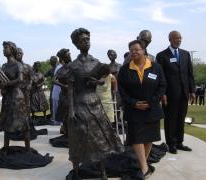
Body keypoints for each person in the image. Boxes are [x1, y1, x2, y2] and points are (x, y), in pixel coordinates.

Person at [67, 28, 124, 179]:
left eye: (87, 39)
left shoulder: (96, 63)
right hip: (79, 103)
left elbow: (101, 81)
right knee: (79, 137)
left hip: (95, 103)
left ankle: (103, 172)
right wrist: (71, 110)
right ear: (76, 44)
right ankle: (76, 171)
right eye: (82, 40)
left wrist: (97, 81)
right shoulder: (73, 66)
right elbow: (70, 89)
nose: (86, 41)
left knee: (100, 138)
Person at [118, 40, 166, 177]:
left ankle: (142, 163)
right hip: (133, 110)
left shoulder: (156, 67)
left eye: (136, 50)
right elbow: (122, 90)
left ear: (144, 50)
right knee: (137, 138)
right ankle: (144, 168)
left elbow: (162, 85)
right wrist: (133, 103)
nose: (134, 52)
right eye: (131, 50)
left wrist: (151, 102)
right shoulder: (125, 69)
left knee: (149, 138)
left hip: (152, 109)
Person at [156, 31, 195, 154]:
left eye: (180, 38)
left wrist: (192, 90)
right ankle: (171, 143)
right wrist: (163, 93)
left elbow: (190, 74)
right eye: (176, 38)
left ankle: (179, 142)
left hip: (184, 93)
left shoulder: (185, 54)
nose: (179, 40)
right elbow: (160, 77)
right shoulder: (162, 55)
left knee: (181, 118)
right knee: (170, 119)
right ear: (170, 39)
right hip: (169, 94)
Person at [0, 41, 30, 151]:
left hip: (17, 97)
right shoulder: (3, 66)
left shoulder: (18, 64)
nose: (3, 50)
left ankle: (28, 148)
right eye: (3, 48)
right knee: (7, 121)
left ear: (12, 49)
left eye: (6, 48)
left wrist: (6, 84)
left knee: (22, 122)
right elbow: (0, 81)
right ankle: (6, 147)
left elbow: (20, 79)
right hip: (7, 97)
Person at [54, 48, 72, 134]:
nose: (70, 56)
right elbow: (53, 80)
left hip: (74, 94)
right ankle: (65, 129)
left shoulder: (74, 66)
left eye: (70, 54)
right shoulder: (60, 70)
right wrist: (63, 86)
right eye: (68, 54)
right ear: (64, 57)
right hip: (65, 95)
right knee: (65, 114)